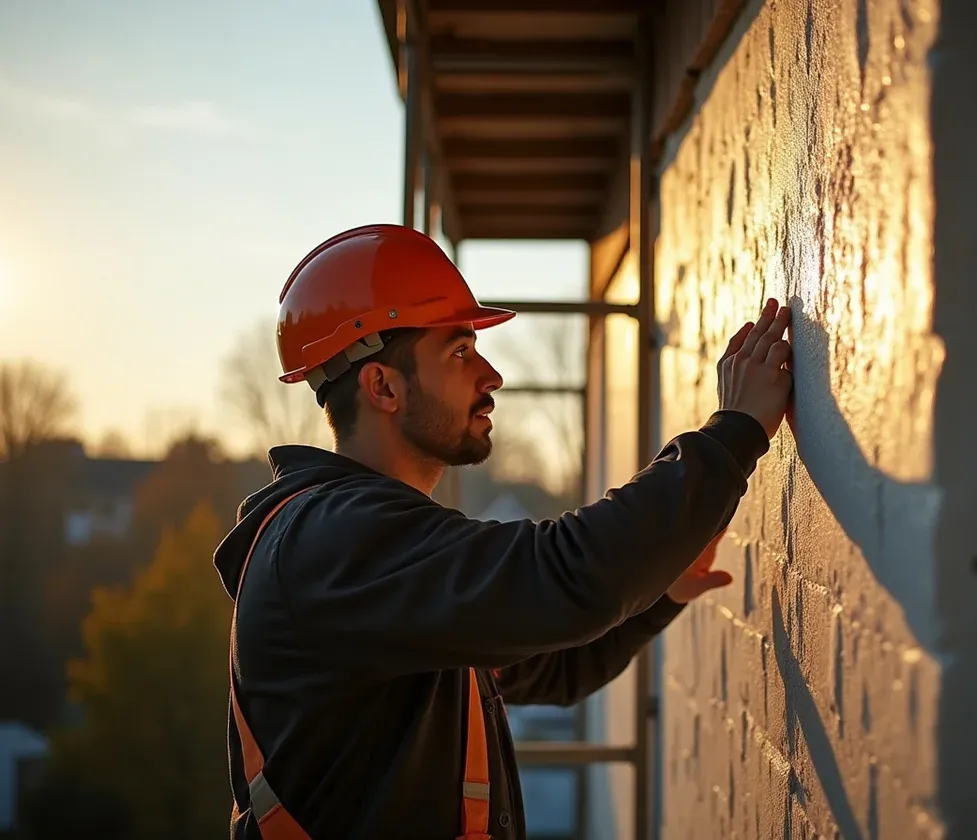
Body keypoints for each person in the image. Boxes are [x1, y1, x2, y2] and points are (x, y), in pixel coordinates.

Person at [214, 224, 793, 840]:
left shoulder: (373, 548)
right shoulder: (331, 540)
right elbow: (561, 574)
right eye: (459, 352)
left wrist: (664, 592)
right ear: (382, 386)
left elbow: (551, 668)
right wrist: (733, 433)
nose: (491, 375)